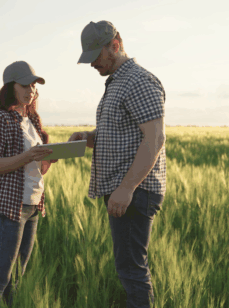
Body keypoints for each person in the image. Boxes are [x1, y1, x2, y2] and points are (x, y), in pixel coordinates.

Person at [69, 21, 166, 308]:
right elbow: (124, 133)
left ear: (115, 44)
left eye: (95, 57)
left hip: (134, 192)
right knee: (128, 268)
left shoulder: (138, 80)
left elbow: (155, 137)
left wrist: (126, 189)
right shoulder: (118, 82)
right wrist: (89, 138)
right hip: (125, 191)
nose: (92, 65)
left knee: (131, 270)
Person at [0, 61, 57, 308]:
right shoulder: (0, 119)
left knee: (16, 279)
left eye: (34, 85)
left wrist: (49, 159)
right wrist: (28, 156)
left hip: (31, 206)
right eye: (25, 84)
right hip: (6, 208)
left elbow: (37, 169)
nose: (31, 90)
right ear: (10, 87)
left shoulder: (32, 120)